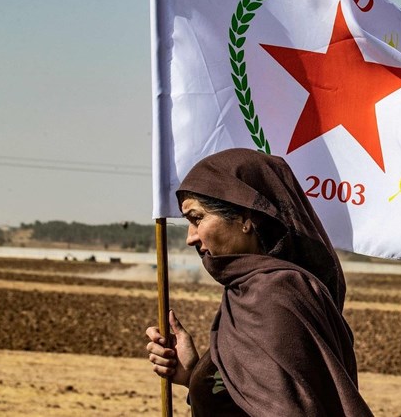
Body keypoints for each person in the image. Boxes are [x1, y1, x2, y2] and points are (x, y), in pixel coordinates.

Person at [145, 148, 373, 416]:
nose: (190, 237)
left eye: (197, 218)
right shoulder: (249, 291)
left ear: (245, 218)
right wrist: (194, 374)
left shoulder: (274, 294)